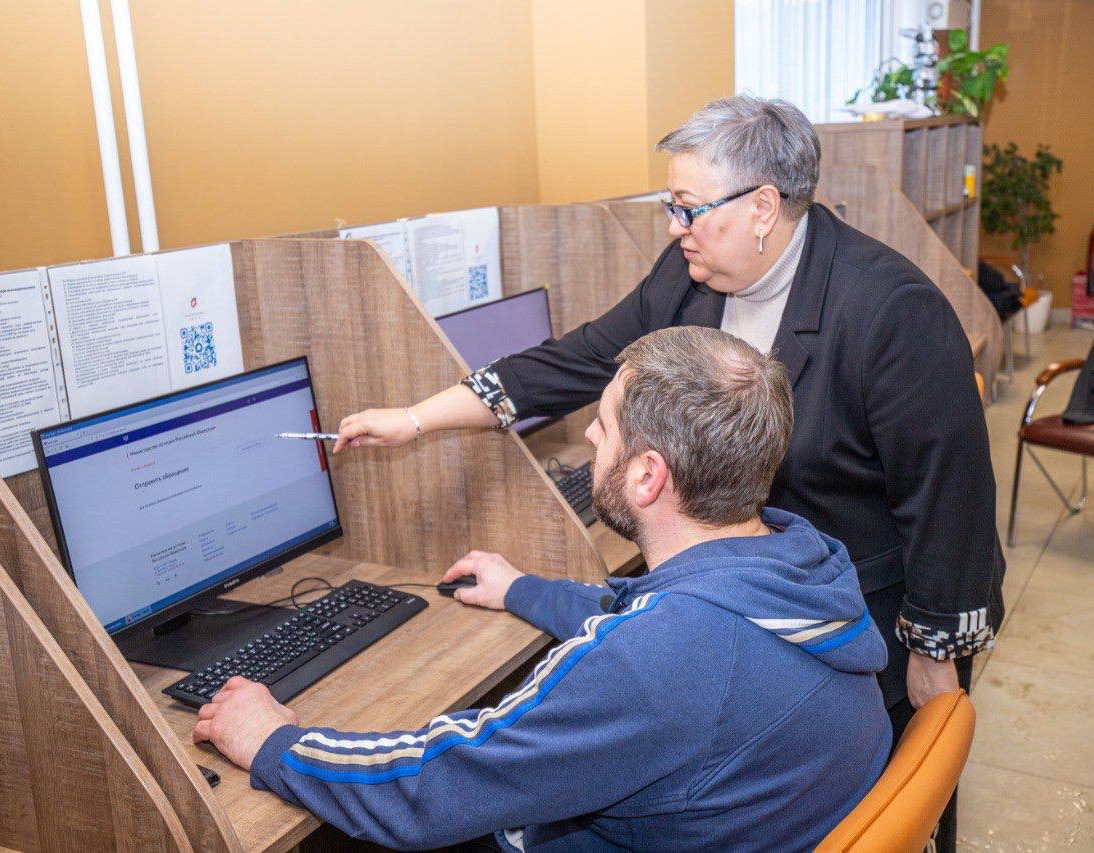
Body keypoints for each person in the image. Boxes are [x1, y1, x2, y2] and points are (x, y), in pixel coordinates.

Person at [335, 95, 1005, 849]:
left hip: (857, 611)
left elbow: (951, 499)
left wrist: (935, 656)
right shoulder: (691, 274)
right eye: (671, 207)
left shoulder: (890, 309)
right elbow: (582, 359)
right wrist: (417, 418)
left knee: (893, 793)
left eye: (688, 207)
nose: (674, 227)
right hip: (745, 589)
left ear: (762, 206)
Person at [195, 327, 892, 851]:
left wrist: (275, 742)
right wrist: (522, 589)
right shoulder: (801, 562)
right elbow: (656, 615)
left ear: (647, 476)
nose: (588, 434)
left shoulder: (659, 659)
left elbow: (431, 789)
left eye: (605, 424)